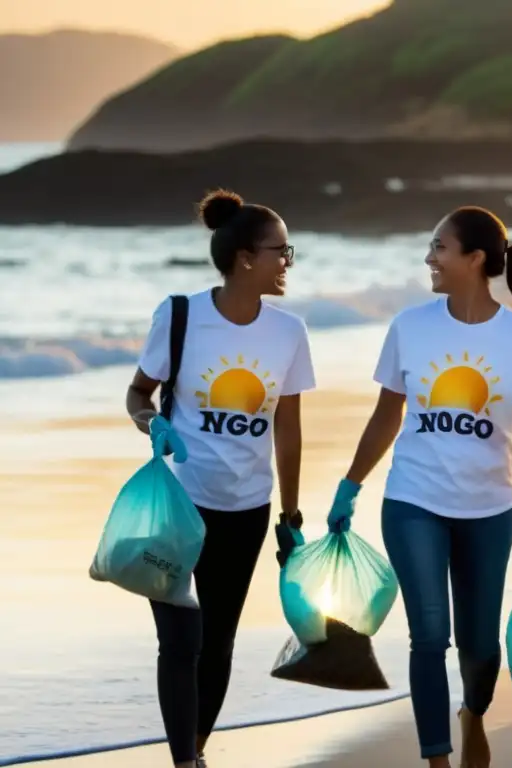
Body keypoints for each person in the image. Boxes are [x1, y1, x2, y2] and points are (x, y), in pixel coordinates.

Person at [324, 206, 512, 768]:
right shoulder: (410, 325)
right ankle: (437, 760)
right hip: (413, 499)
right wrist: (350, 485)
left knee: (480, 646)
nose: (429, 258)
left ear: (475, 259)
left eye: (440, 248)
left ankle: (473, 714)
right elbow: (387, 414)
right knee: (429, 635)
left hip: (488, 507)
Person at [126, 190, 316, 768]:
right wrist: (151, 422)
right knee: (180, 641)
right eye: (280, 251)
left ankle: (198, 747)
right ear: (244, 258)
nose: (288, 261)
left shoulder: (289, 333)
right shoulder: (181, 315)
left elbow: (288, 427)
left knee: (218, 642)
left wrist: (290, 513)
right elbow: (139, 393)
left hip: (246, 509)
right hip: (179, 505)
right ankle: (187, 762)